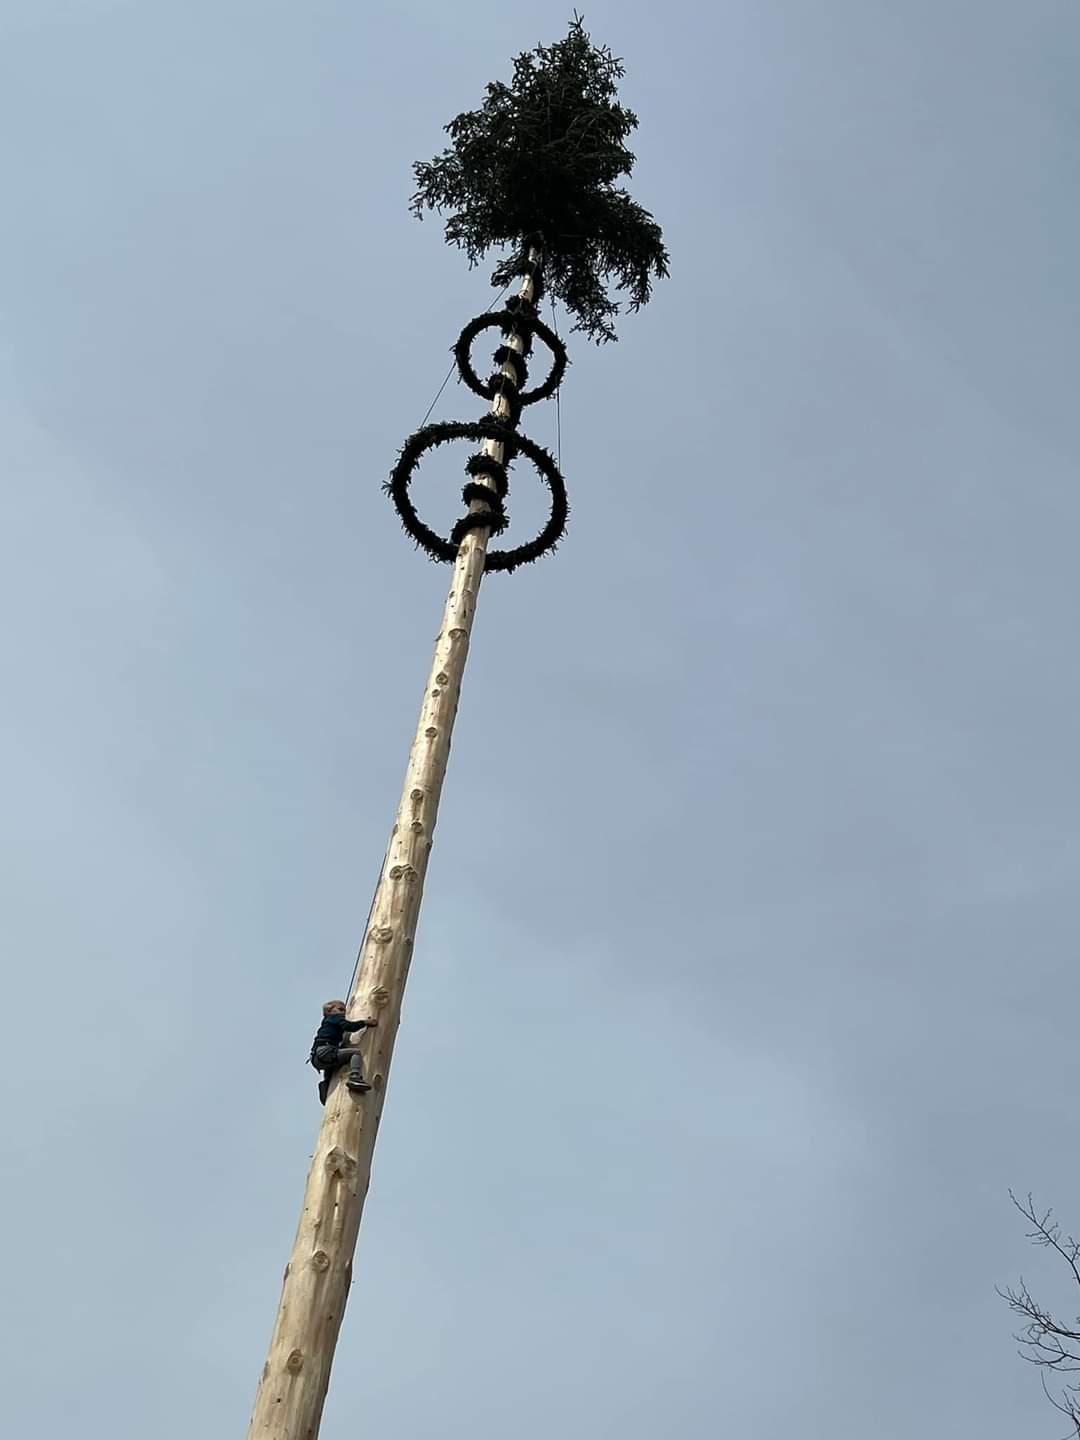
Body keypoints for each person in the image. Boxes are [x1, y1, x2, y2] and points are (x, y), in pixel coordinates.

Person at [310, 1000, 378, 1104]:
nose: (343, 1013)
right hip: (325, 1051)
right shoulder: (335, 1017)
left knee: (332, 1068)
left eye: (344, 1011)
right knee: (355, 1053)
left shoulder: (327, 1022)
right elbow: (349, 1026)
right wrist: (365, 1022)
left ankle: (325, 1085)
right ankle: (355, 1077)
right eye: (341, 1009)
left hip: (316, 1057)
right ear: (330, 1010)